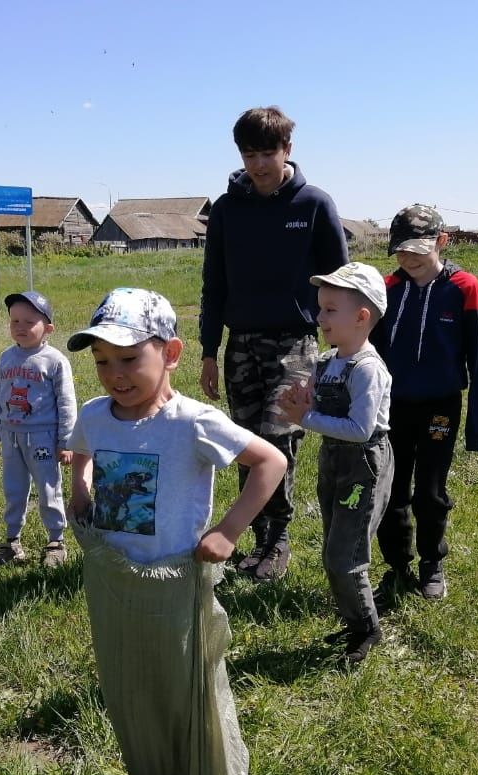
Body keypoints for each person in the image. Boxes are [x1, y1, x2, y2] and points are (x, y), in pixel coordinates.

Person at [66, 288, 286, 775]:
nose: (114, 374)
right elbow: (82, 453)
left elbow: (271, 463)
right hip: (115, 578)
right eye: (101, 362)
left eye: (128, 358)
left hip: (175, 581)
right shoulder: (96, 415)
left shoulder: (192, 422)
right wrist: (80, 488)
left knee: (183, 684)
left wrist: (230, 530)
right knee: (130, 683)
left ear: (171, 353)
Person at [198, 105, 349, 582]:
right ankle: (258, 533)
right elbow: (213, 286)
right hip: (240, 342)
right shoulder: (225, 210)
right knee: (246, 443)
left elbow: (341, 283)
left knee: (278, 438)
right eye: (249, 154)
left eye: (268, 152)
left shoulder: (314, 205)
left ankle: (276, 539)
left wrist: (344, 348)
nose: (258, 164)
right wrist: (208, 351)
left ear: (288, 150)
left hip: (294, 343)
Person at [370, 204, 478, 603]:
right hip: (393, 407)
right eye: (400, 251)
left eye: (417, 250)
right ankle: (397, 566)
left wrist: (477, 429)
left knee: (430, 489)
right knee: (391, 488)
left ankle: (431, 563)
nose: (408, 259)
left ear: (442, 241)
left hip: (441, 406)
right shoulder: (387, 289)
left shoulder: (465, 288)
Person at [279, 264, 393, 668]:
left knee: (344, 555)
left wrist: (304, 419)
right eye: (320, 309)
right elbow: (314, 401)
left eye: (329, 310)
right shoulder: (329, 361)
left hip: (363, 463)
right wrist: (301, 400)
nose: (319, 318)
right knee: (333, 544)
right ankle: (353, 618)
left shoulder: (366, 369)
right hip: (334, 458)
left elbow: (361, 429)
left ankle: (367, 629)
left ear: (362, 317)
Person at [0, 290, 77, 567]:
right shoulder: (6, 358)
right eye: (15, 321)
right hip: (10, 436)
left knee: (49, 488)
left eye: (29, 322)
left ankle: (55, 540)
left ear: (48, 328)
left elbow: (66, 402)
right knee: (13, 489)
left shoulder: (54, 360)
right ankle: (12, 540)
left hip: (43, 439)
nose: (20, 328)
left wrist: (66, 441)